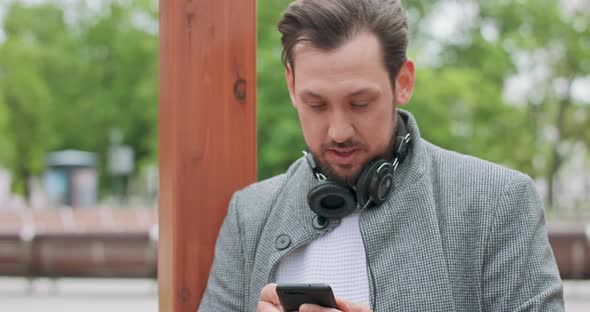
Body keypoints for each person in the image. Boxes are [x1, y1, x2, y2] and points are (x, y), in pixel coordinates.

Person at [199, 0, 564, 311]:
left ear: (403, 82)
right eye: (317, 104)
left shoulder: (498, 202)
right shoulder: (250, 214)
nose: (339, 130)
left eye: (360, 103)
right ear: (292, 86)